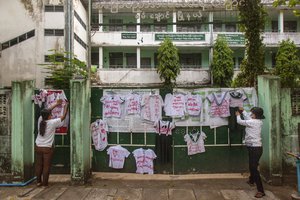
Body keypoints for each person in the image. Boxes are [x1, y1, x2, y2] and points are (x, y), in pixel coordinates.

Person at [35, 99, 68, 186]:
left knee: (39, 165)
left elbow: (46, 111)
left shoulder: (40, 120)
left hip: (38, 146)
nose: (52, 114)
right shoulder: (52, 122)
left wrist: (56, 104)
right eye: (51, 114)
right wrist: (66, 106)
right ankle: (45, 183)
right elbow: (63, 116)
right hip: (47, 148)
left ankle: (38, 182)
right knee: (46, 166)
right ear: (49, 116)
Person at [235, 107, 265, 198]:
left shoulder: (253, 122)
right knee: (252, 165)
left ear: (255, 115)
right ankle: (251, 180)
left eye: (252, 114)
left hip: (255, 148)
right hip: (253, 147)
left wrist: (238, 115)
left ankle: (261, 190)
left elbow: (240, 122)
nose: (250, 115)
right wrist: (243, 110)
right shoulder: (257, 121)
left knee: (254, 168)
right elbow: (248, 118)